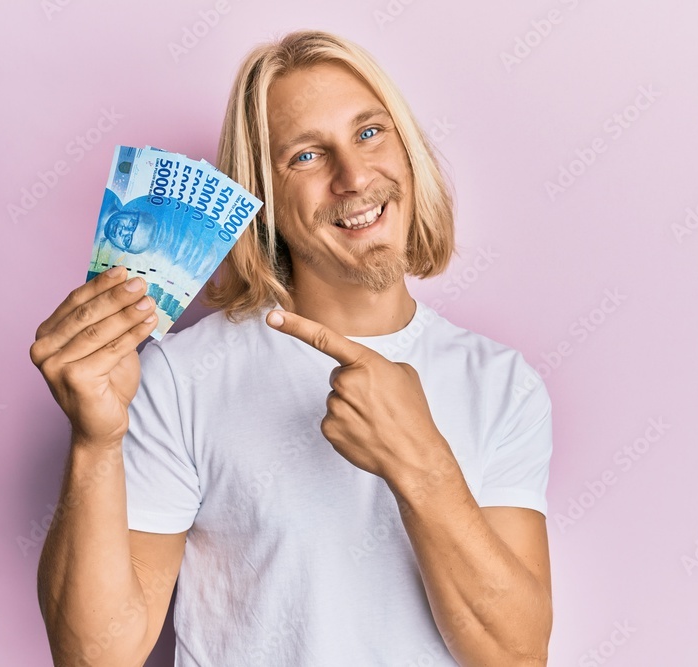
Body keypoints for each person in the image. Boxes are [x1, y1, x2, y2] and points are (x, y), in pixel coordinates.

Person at [31, 29, 554, 667]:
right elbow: (95, 658)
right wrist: (95, 443)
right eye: (306, 156)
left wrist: (421, 465)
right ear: (266, 198)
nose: (355, 177)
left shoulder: (503, 384)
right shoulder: (177, 377)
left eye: (369, 132)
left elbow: (516, 655)